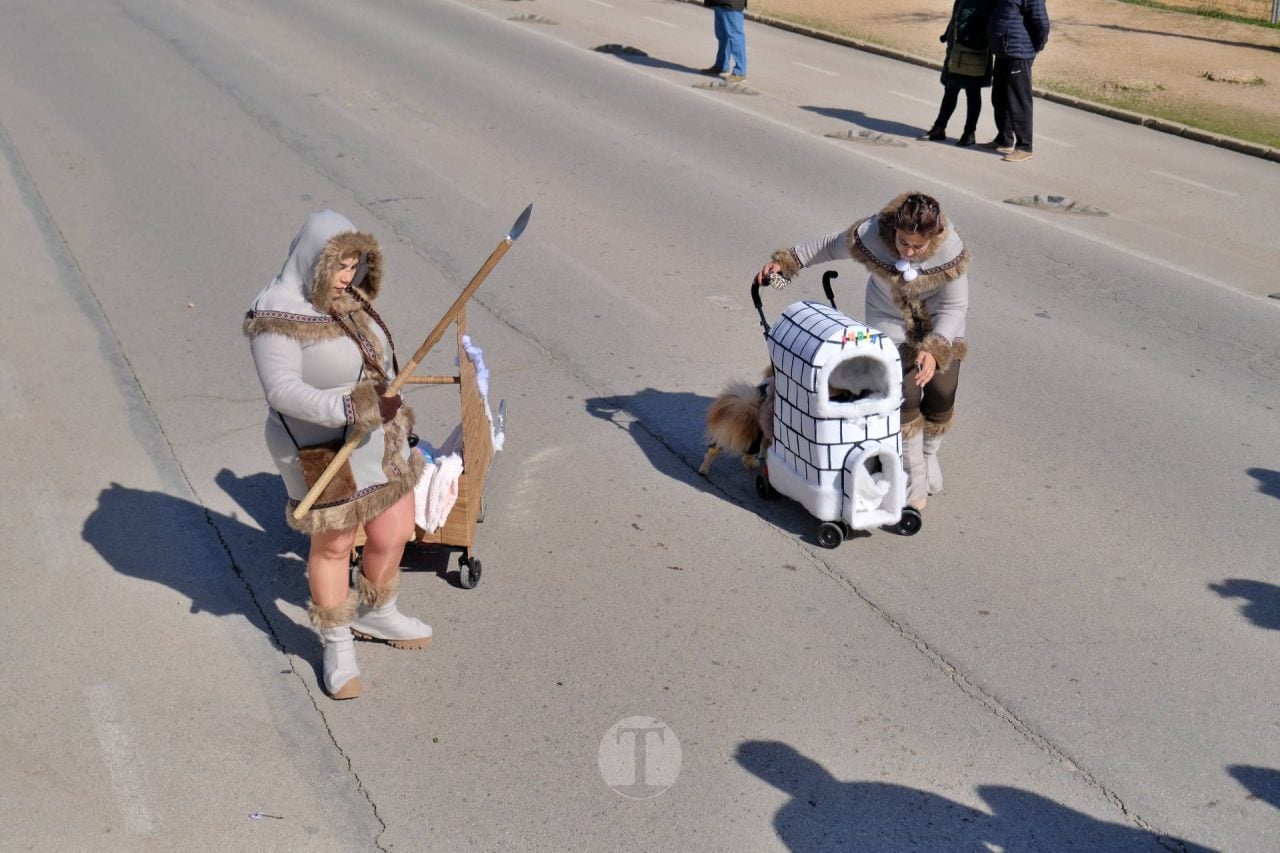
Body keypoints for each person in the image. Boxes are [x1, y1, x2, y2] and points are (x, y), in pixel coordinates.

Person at [244, 210, 430, 700]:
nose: (348, 276)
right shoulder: (275, 315)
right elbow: (282, 391)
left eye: (354, 265)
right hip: (316, 445)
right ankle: (337, 641)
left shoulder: (348, 298)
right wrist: (352, 406)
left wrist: (378, 399)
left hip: (372, 433)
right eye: (339, 266)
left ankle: (377, 612)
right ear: (313, 260)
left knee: (394, 528)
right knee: (334, 543)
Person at [755, 192, 969, 517]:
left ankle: (929, 454)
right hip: (890, 320)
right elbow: (829, 245)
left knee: (942, 390)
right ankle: (914, 480)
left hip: (940, 323)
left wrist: (935, 348)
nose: (908, 252)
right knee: (906, 392)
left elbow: (955, 305)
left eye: (917, 246)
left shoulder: (951, 250)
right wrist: (783, 267)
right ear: (894, 231)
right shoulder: (872, 235)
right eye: (902, 242)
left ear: (934, 236)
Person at [979, 0, 1050, 162]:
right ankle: (1004, 140)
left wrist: (1039, 44)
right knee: (999, 98)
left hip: (1019, 53)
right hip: (1003, 52)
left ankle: (1025, 147)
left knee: (1018, 102)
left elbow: (1041, 22)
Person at [918, 0, 995, 147]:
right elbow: (957, 17)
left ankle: (969, 133)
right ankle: (939, 127)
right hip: (957, 50)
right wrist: (948, 34)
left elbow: (988, 22)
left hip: (972, 52)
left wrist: (972, 39)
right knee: (950, 89)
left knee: (972, 92)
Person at [700, 0, 747, 83]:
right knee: (722, 35)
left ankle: (740, 72)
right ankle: (721, 66)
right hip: (718, 2)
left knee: (735, 35)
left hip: (732, 3)